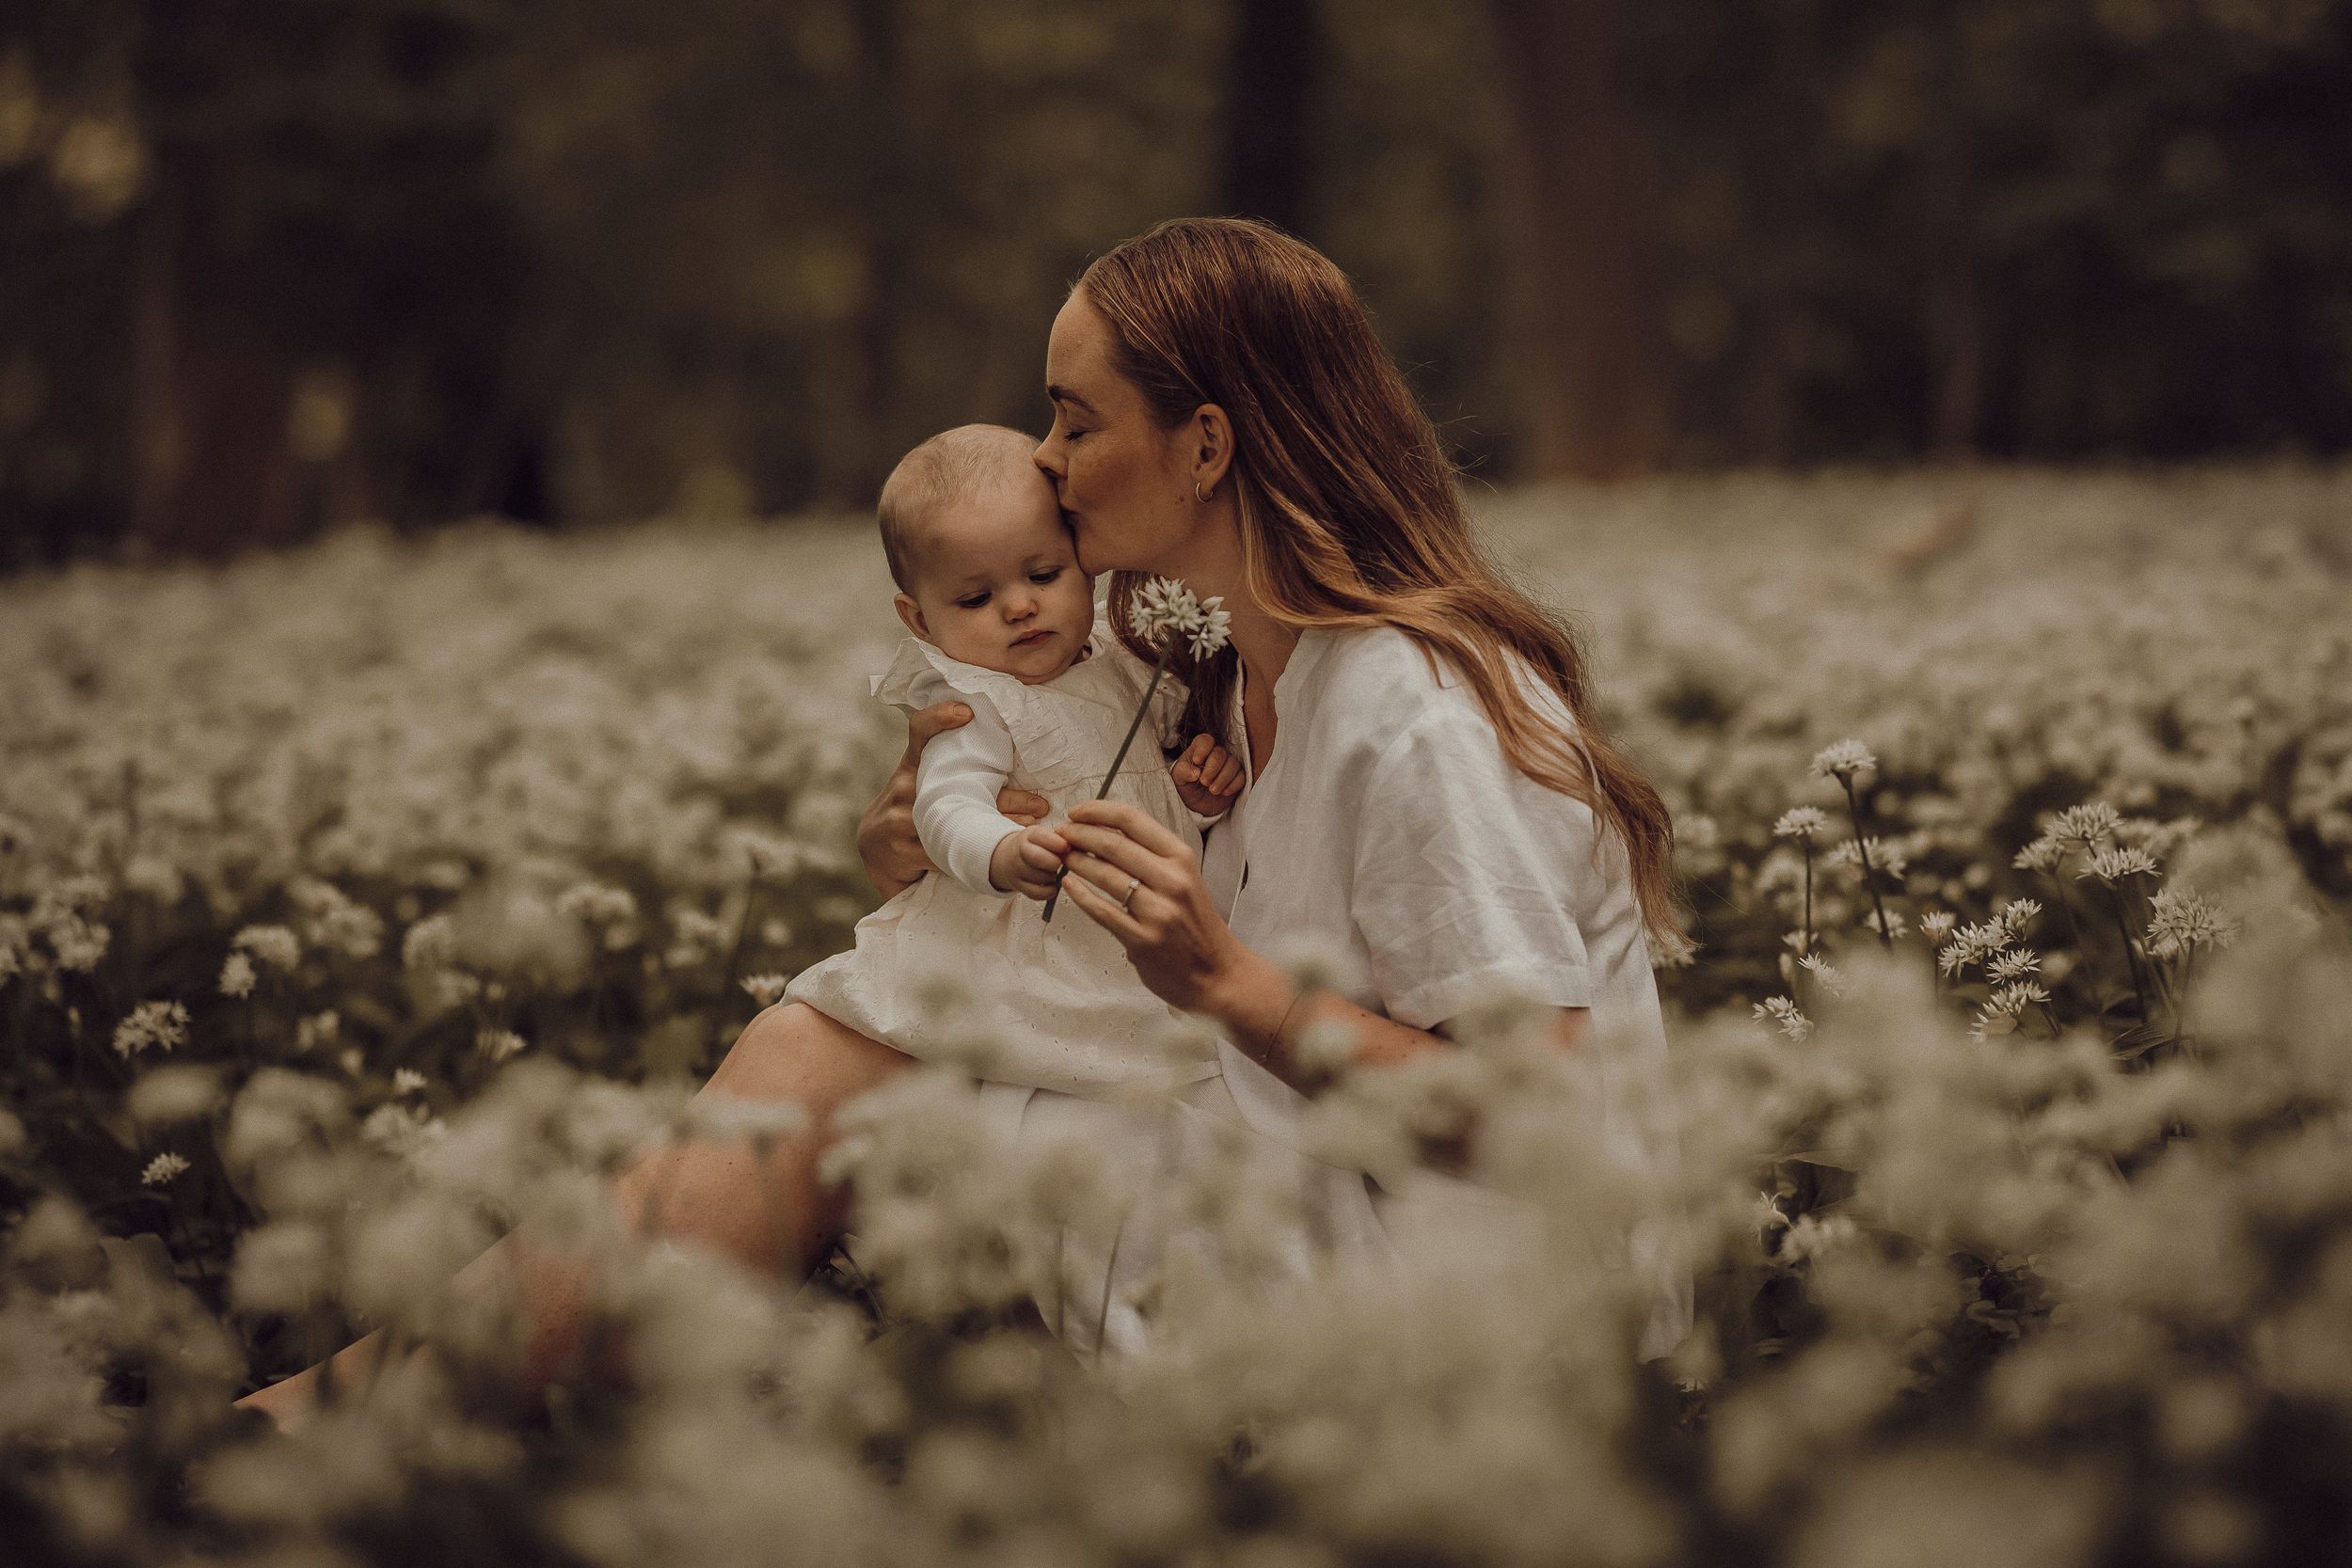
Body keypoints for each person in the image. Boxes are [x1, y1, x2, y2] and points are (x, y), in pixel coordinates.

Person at [237, 216, 1692, 1429]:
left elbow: (1540, 1115)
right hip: (1321, 1194)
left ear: (1204, 446)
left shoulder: (1405, 701)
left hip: (1470, 1334)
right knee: (860, 1034)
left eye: (1073, 417)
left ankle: (384, 1424)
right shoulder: (1244, 676)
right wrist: (971, 873)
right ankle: (444, 1408)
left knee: (832, 1056)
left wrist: (1231, 980)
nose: (1043, 462)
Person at [785, 420, 1247, 1097]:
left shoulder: (1124, 667)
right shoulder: (979, 701)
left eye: (1043, 573)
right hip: (1032, 948)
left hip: (1127, 948)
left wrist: (1195, 798)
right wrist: (1001, 850)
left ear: (1082, 563)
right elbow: (943, 805)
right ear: (919, 621)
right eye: (977, 597)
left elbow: (1152, 798)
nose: (1021, 606)